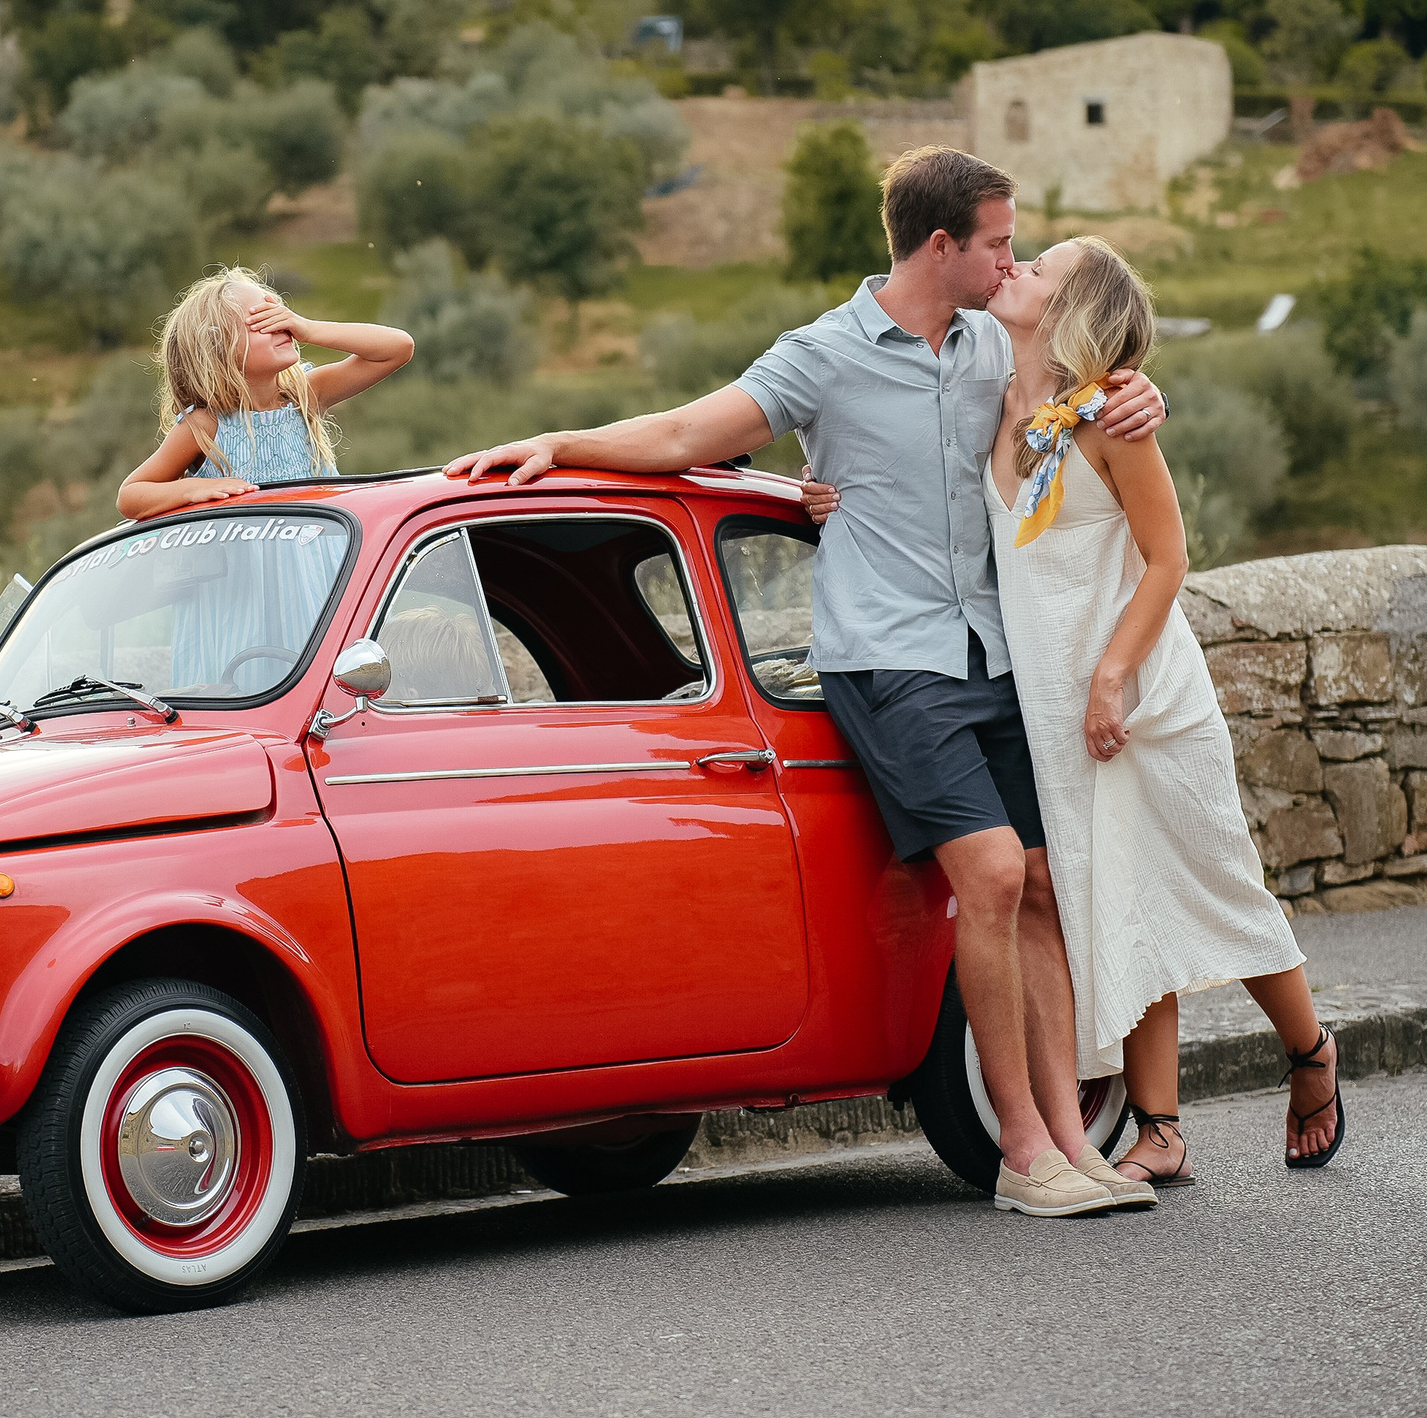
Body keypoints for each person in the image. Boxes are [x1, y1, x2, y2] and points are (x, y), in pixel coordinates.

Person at [447, 146, 1169, 1218]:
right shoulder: (823, 355)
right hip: (889, 657)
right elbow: (693, 432)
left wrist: (1137, 391)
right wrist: (561, 440)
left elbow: (1082, 394)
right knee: (988, 876)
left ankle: (1075, 1139)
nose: (1011, 259)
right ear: (942, 246)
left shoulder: (993, 346)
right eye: (999, 243)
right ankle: (1021, 1151)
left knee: (1044, 891)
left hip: (995, 655)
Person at [803, 237, 1344, 1180]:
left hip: (1142, 697)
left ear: (1070, 309)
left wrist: (1109, 676)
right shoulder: (992, 400)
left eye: (1039, 267)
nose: (1013, 268)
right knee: (1116, 896)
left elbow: (1169, 559)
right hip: (1049, 701)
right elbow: (907, 463)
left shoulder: (1111, 415)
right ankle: (1162, 1130)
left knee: (1215, 882)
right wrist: (826, 499)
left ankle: (1311, 1053)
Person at [118, 268, 414, 518]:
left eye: (280, 313)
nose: (282, 325)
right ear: (220, 348)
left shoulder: (305, 394)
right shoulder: (206, 426)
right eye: (263, 320)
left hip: (322, 567)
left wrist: (309, 328)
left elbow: (398, 348)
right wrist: (190, 490)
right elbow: (131, 495)